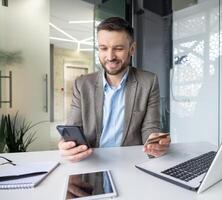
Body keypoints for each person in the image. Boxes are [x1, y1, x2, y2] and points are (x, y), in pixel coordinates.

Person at [58, 17, 171, 162]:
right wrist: (66, 145)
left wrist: (154, 143)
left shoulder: (148, 82)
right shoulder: (82, 84)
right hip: (92, 161)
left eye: (118, 48)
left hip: (130, 162)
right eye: (103, 48)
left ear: (132, 49)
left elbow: (150, 128)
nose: (110, 57)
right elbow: (73, 129)